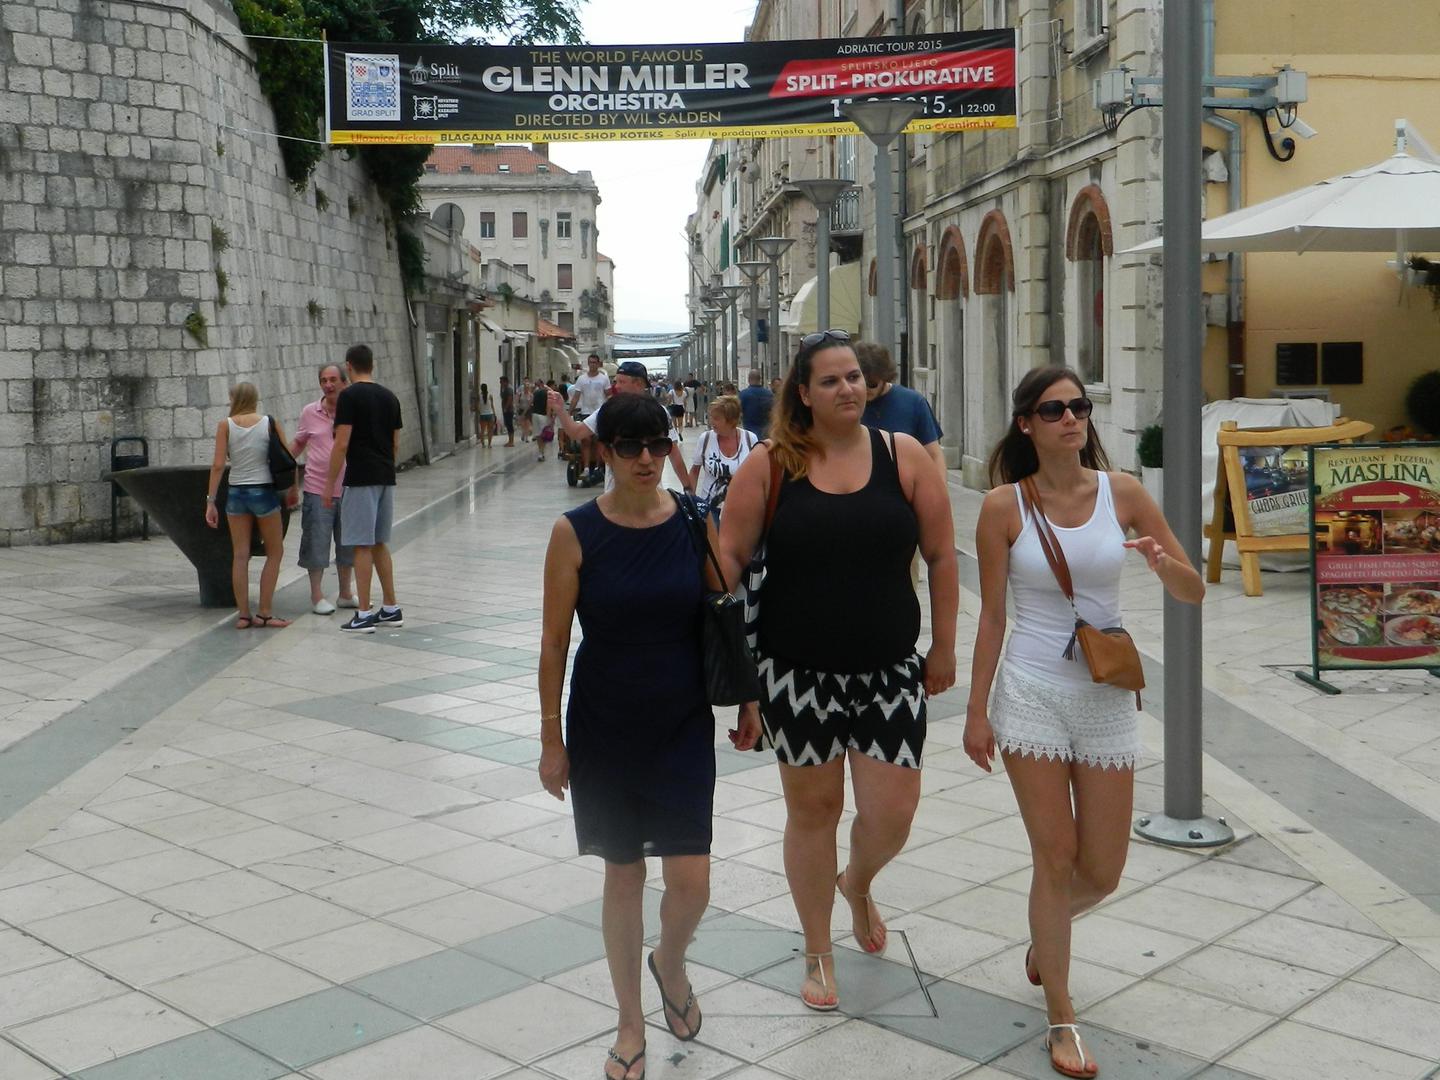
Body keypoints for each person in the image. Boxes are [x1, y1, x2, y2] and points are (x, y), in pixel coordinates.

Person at [964, 366, 1205, 1079]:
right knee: (1055, 855)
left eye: (1078, 406)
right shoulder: (1003, 506)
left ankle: (1046, 936)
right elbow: (993, 617)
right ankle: (1062, 1017)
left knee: (1102, 870)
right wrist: (976, 711)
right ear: (1027, 424)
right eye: (1053, 409)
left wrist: (1161, 564)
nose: (1071, 417)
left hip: (1104, 693)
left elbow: (1192, 591)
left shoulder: (1123, 493)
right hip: (1031, 690)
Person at [718, 329, 958, 1011]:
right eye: (830, 380)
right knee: (813, 813)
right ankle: (818, 950)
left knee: (893, 813)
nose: (847, 388)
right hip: (796, 674)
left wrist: (945, 647)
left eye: (853, 376)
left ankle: (857, 882)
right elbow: (729, 559)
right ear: (803, 393)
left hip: (889, 670)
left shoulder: (903, 455)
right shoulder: (770, 464)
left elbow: (943, 555)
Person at [539, 393, 762, 1080]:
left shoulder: (693, 520)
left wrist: (748, 697)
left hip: (681, 715)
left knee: (692, 879)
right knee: (623, 873)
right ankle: (629, 1022)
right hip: (604, 720)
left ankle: (670, 958)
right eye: (630, 447)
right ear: (604, 452)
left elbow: (724, 609)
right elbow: (554, 643)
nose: (646, 459)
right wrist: (551, 739)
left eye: (658, 445)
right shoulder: (575, 532)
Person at [324, 343, 404, 634]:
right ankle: (391, 607)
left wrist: (329, 484)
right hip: (385, 476)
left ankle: (364, 613)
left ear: (349, 366)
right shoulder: (390, 397)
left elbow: (342, 442)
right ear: (372, 364)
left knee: (361, 544)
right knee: (380, 542)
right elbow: (395, 443)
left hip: (360, 477)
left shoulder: (349, 396)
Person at [204, 382, 293, 629]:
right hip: (264, 490)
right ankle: (265, 613)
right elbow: (287, 457)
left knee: (240, 555)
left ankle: (244, 615)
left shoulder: (225, 425)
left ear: (234, 399)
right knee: (274, 552)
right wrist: (293, 488)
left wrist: (211, 501)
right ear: (254, 399)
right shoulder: (268, 423)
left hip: (236, 493)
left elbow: (218, 465)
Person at [550, 361, 691, 493]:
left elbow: (674, 453)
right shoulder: (607, 411)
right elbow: (576, 432)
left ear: (638, 383)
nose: (616, 386)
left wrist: (688, 488)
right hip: (615, 496)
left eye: (621, 382)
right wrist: (560, 410)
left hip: (651, 495)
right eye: (616, 382)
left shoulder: (659, 413)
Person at [291, 364, 358, 615]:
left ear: (344, 382)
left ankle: (345, 593)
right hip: (317, 488)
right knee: (316, 542)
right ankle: (317, 595)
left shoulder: (353, 411)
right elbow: (298, 444)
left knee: (348, 544)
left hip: (350, 487)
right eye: (323, 380)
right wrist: (280, 465)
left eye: (332, 380)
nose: (328, 385)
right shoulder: (310, 412)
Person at [855, 342, 947, 485]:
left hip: (906, 488)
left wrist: (941, 492)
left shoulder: (913, 402)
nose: (866, 389)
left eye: (872, 384)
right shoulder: (848, 406)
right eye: (861, 382)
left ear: (884, 377)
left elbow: (933, 454)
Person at [687, 395, 758, 523]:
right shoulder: (706, 439)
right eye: (711, 417)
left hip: (740, 509)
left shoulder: (750, 439)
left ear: (731, 420)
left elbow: (757, 476)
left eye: (716, 418)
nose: (711, 422)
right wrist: (690, 499)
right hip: (710, 509)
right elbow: (694, 471)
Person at [570, 353, 612, 486]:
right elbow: (576, 397)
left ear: (598, 364)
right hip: (586, 413)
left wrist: (611, 408)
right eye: (590, 362)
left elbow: (609, 395)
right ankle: (587, 468)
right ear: (588, 364)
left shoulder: (604, 379)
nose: (592, 365)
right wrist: (569, 411)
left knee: (598, 440)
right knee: (586, 440)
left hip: (600, 413)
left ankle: (599, 467)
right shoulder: (581, 379)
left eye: (594, 362)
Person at [738, 367, 775, 439]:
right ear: (760, 379)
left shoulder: (743, 394)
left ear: (749, 379)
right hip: (766, 432)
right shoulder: (769, 394)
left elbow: (738, 413)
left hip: (749, 432)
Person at [532, 379, 553, 462]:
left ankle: (540, 452)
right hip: (543, 416)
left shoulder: (535, 393)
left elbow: (532, 403)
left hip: (535, 415)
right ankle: (541, 452)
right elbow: (548, 406)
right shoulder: (547, 393)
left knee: (538, 435)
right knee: (544, 435)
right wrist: (549, 418)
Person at [477, 383, 497, 448]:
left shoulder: (479, 396)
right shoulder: (490, 396)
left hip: (482, 415)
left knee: (482, 431)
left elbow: (477, 406)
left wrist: (480, 412)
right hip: (490, 414)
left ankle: (483, 445)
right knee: (490, 430)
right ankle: (489, 444)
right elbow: (492, 406)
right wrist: (494, 414)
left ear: (481, 389)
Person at [500, 375, 516, 447]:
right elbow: (502, 396)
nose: (500, 383)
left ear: (505, 382)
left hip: (509, 410)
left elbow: (509, 399)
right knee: (507, 424)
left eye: (501, 382)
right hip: (506, 410)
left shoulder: (509, 389)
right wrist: (501, 388)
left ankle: (511, 441)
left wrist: (506, 408)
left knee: (509, 425)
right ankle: (510, 440)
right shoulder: (505, 389)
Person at [519, 378, 534, 442]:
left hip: (528, 410)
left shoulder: (531, 395)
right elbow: (517, 401)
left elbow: (529, 404)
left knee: (527, 424)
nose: (526, 388)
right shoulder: (520, 394)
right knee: (522, 424)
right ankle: (523, 433)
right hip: (521, 409)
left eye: (528, 387)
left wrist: (524, 412)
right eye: (525, 387)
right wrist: (517, 408)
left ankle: (526, 438)